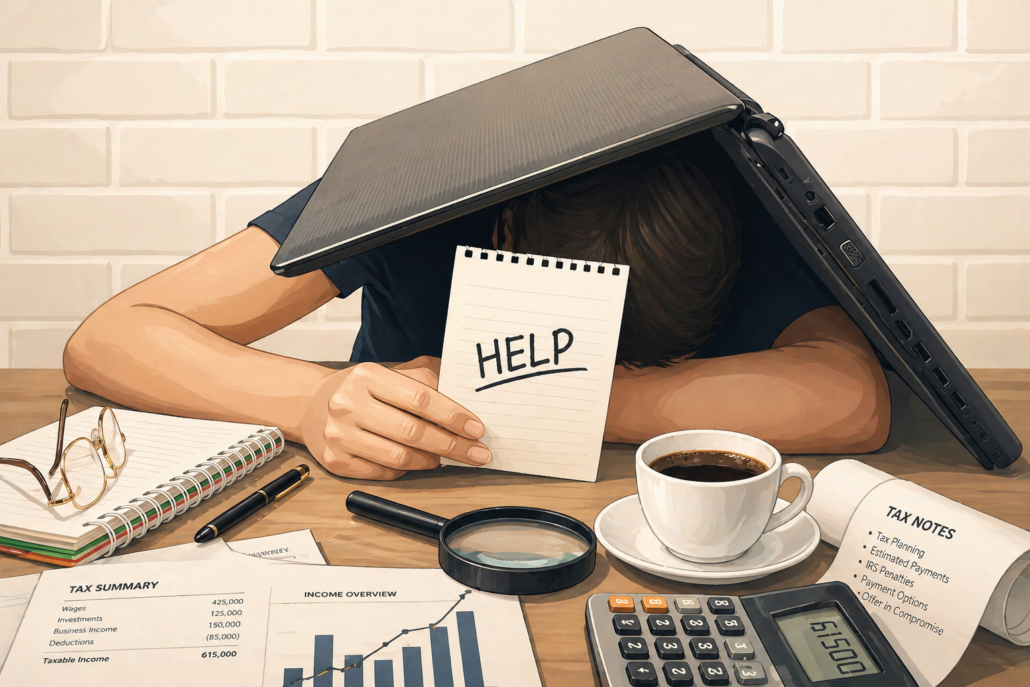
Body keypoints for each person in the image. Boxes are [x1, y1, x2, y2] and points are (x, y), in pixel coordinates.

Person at [63, 133, 890, 480]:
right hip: (400, 500)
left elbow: (854, 399)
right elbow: (110, 339)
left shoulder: (729, 197)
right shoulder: (416, 192)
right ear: (498, 235)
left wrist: (555, 399)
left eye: (643, 359)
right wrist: (312, 400)